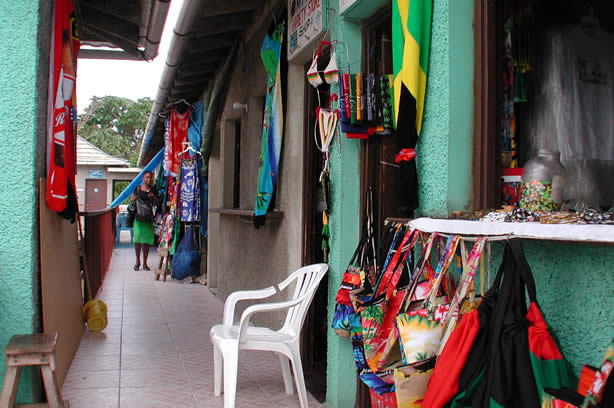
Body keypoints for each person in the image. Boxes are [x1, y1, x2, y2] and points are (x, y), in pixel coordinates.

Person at [131, 171, 159, 271]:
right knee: (137, 241)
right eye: (147, 177)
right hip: (138, 219)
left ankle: (145, 263)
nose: (149, 179)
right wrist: (133, 199)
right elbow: (132, 200)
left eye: (150, 178)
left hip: (148, 219)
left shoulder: (154, 189)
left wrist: (154, 197)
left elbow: (157, 203)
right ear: (143, 178)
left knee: (147, 242)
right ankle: (137, 261)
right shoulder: (138, 188)